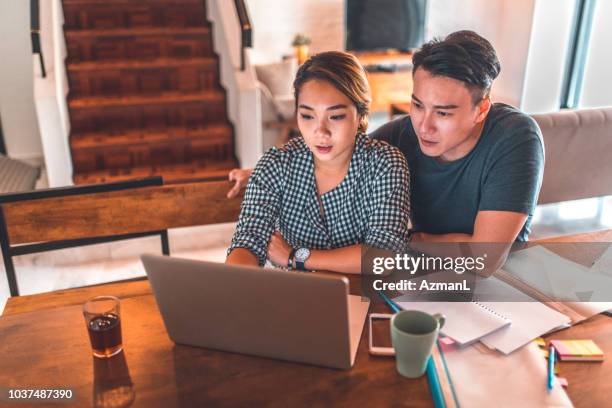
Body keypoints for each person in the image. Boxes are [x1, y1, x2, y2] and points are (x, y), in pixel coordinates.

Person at [227, 31, 544, 245]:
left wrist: (407, 242)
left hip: (497, 293)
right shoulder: (400, 135)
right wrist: (260, 173)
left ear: (481, 109)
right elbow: (334, 149)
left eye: (443, 113)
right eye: (417, 105)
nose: (424, 125)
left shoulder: (515, 137)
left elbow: (485, 260)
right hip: (420, 281)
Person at [225, 51, 411, 274]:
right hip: (295, 295)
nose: (320, 132)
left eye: (336, 116)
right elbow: (248, 241)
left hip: (364, 298)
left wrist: (296, 257)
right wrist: (234, 285)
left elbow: (384, 255)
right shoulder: (275, 165)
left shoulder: (385, 164)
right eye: (307, 115)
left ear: (361, 114)